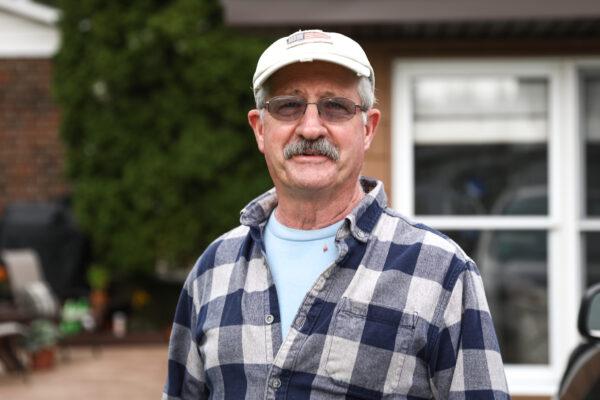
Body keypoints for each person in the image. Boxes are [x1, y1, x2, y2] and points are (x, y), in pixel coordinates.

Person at [163, 29, 510, 400]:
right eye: (288, 106)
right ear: (260, 129)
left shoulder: (440, 272)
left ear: (368, 128)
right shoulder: (213, 269)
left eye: (336, 106)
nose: (311, 128)